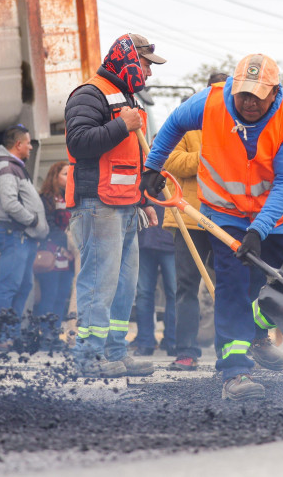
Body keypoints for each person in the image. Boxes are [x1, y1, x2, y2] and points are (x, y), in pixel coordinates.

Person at [142, 54, 283, 401]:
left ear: (274, 92)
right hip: (226, 214)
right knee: (232, 289)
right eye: (243, 93)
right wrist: (153, 165)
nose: (249, 101)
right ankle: (235, 373)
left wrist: (259, 229)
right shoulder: (211, 101)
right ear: (233, 86)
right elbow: (173, 123)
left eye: (257, 95)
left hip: (279, 218)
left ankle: (256, 330)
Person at [64, 33, 164, 378]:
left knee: (124, 284)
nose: (150, 73)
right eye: (148, 64)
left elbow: (131, 159)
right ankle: (89, 357)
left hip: (125, 205)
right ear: (130, 60)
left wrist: (143, 200)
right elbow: (78, 144)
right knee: (99, 282)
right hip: (98, 204)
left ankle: (116, 352)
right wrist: (122, 124)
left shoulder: (126, 96)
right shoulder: (89, 94)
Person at [161, 74, 228, 372]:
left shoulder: (243, 126)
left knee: (230, 286)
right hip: (189, 217)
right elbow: (168, 160)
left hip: (228, 218)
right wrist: (207, 157)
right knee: (186, 286)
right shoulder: (183, 122)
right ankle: (186, 352)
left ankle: (230, 350)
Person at [0, 124, 49, 345]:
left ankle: (11, 336)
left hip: (23, 238)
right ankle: (0, 337)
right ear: (18, 145)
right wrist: (32, 220)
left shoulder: (15, 166)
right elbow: (10, 204)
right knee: (9, 286)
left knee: (23, 286)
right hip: (15, 236)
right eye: (28, 143)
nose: (31, 147)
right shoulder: (6, 167)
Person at [34, 161, 74, 343]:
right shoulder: (46, 198)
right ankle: (45, 333)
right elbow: (48, 224)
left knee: (62, 294)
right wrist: (63, 245)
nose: (69, 177)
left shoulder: (72, 197)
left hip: (69, 255)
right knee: (49, 293)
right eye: (65, 174)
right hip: (52, 251)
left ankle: (55, 332)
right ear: (54, 176)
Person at [132, 199, 177, 357]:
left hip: (169, 238)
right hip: (148, 238)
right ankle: (147, 342)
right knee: (146, 293)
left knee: (173, 293)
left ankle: (171, 341)